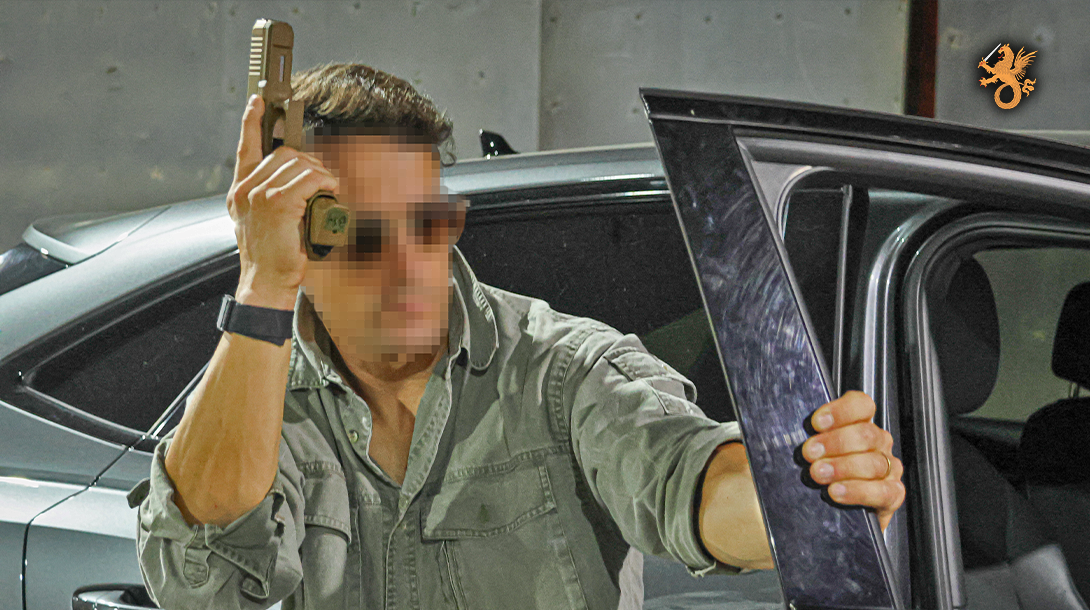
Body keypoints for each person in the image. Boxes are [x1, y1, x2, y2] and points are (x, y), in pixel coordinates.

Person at [129, 63, 905, 610]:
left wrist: (805, 498)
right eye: (362, 234)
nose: (408, 265)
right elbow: (200, 578)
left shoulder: (562, 371)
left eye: (429, 225)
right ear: (302, 241)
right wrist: (263, 285)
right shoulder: (258, 396)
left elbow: (686, 478)